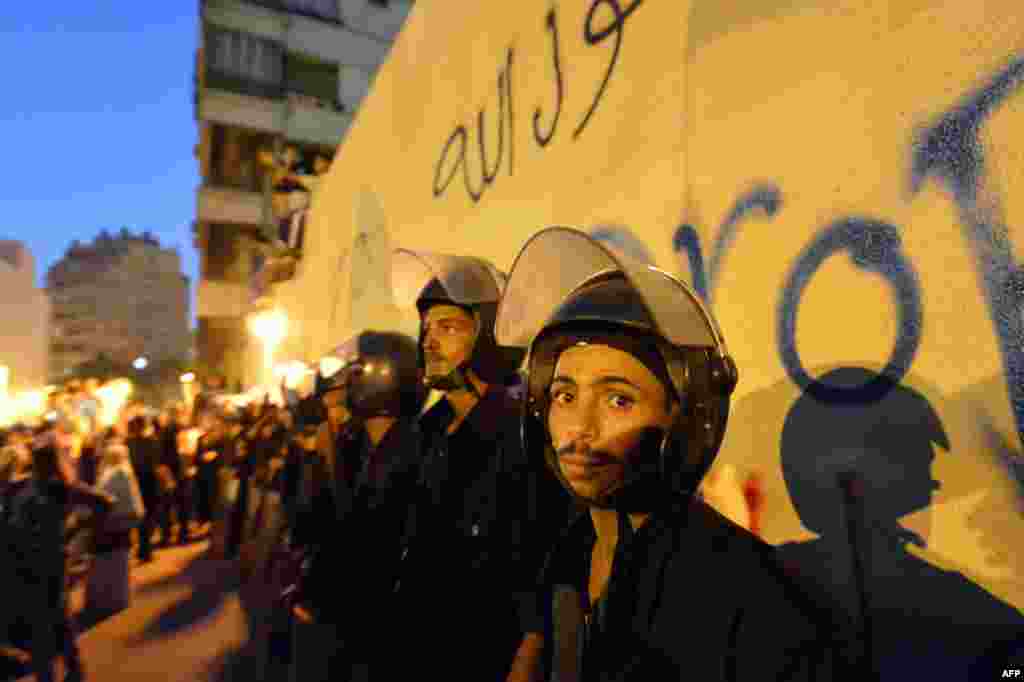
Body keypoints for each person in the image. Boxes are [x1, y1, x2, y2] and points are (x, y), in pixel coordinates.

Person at [496, 227, 840, 681]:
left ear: (685, 418)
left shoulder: (742, 590)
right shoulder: (566, 555)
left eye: (618, 400)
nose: (579, 428)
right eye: (565, 396)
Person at [390, 250, 571, 681]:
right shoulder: (429, 430)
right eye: (426, 328)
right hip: (420, 648)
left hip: (490, 653)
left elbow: (549, 551)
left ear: (489, 335)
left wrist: (530, 652)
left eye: (448, 327)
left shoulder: (526, 429)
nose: (429, 342)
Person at [291, 331, 427, 682]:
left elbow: (366, 538)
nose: (346, 386)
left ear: (381, 376)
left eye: (355, 373)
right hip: (352, 617)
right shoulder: (362, 444)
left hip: (380, 623)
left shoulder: (412, 451)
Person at [2, 433, 112, 682]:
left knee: (42, 624)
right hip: (28, 562)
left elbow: (105, 503)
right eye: (37, 457)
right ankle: (74, 668)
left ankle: (58, 673)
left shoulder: (62, 487)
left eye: (43, 458)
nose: (38, 462)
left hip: (50, 562)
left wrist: (77, 532)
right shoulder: (27, 484)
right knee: (58, 617)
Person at [87, 442, 145, 617]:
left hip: (106, 525)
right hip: (121, 526)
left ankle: (104, 599)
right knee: (119, 564)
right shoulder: (124, 474)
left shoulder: (106, 475)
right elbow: (133, 504)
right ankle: (117, 599)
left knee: (107, 563)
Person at [125, 416, 161, 563]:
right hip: (149, 482)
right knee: (148, 516)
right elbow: (156, 461)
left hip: (136, 482)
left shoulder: (128, 443)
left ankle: (143, 548)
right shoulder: (151, 441)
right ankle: (145, 549)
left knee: (141, 517)